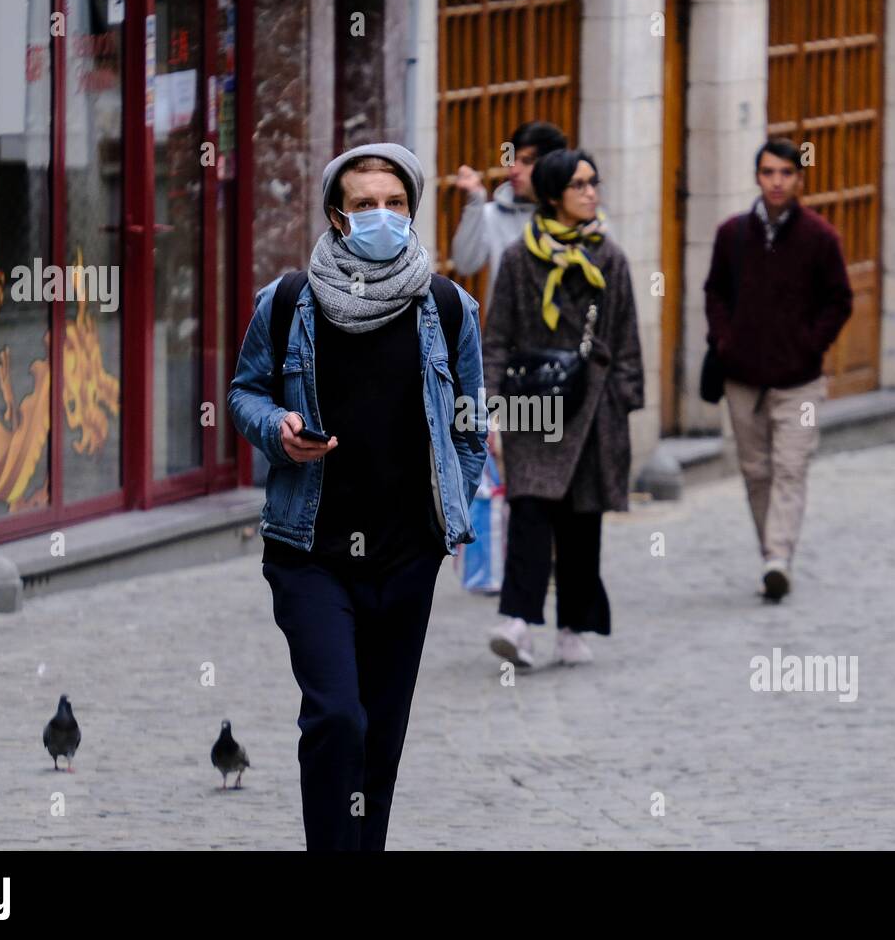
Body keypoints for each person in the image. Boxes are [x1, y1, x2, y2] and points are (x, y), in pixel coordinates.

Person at [227, 143, 487, 850]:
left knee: (380, 731)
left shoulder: (447, 307)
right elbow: (244, 392)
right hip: (309, 549)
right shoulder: (286, 303)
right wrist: (277, 429)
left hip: (406, 556)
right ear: (337, 217)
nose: (382, 216)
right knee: (337, 715)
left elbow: (469, 421)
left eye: (395, 203)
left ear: (412, 210)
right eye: (365, 204)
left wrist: (452, 519)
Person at [481, 149, 644, 667]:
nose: (591, 193)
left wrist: (622, 399)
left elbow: (625, 338)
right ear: (553, 196)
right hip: (534, 405)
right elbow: (498, 336)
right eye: (580, 185)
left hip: (592, 408)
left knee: (581, 521)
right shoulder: (516, 258)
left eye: (594, 183)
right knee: (528, 509)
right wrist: (487, 406)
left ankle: (574, 626)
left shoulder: (610, 258)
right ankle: (519, 624)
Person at [703, 138, 852, 603]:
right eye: (769, 172)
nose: (777, 182)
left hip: (800, 382)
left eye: (786, 173)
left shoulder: (820, 238)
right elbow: (715, 293)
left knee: (791, 467)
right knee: (756, 471)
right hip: (743, 378)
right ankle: (772, 550)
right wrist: (726, 340)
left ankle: (777, 557)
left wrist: (809, 345)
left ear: (799, 179)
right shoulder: (732, 234)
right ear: (757, 176)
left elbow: (839, 301)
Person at [449, 121, 568, 290]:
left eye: (526, 161)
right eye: (512, 159)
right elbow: (464, 264)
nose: (513, 170)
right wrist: (475, 201)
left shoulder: (573, 213)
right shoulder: (493, 215)